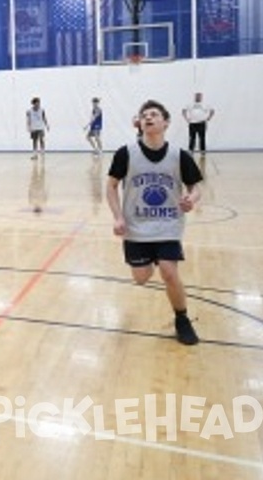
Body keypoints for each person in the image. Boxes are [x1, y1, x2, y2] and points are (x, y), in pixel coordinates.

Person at [106, 99, 204, 346]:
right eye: (144, 115)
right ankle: (148, 263)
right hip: (135, 228)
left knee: (169, 272)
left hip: (168, 225)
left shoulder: (179, 155)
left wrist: (191, 199)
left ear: (166, 122)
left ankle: (182, 320)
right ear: (138, 123)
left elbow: (195, 185)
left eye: (154, 114)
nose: (149, 117)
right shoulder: (125, 153)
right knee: (140, 277)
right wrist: (118, 217)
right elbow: (111, 186)